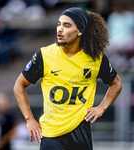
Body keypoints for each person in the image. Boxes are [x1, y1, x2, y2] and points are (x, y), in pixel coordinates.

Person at [13, 7, 123, 150]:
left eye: (67, 25)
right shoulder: (45, 55)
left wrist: (101, 107)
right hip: (51, 134)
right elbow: (18, 86)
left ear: (80, 31)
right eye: (59, 24)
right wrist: (30, 119)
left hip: (81, 132)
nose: (60, 29)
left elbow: (117, 84)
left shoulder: (95, 58)